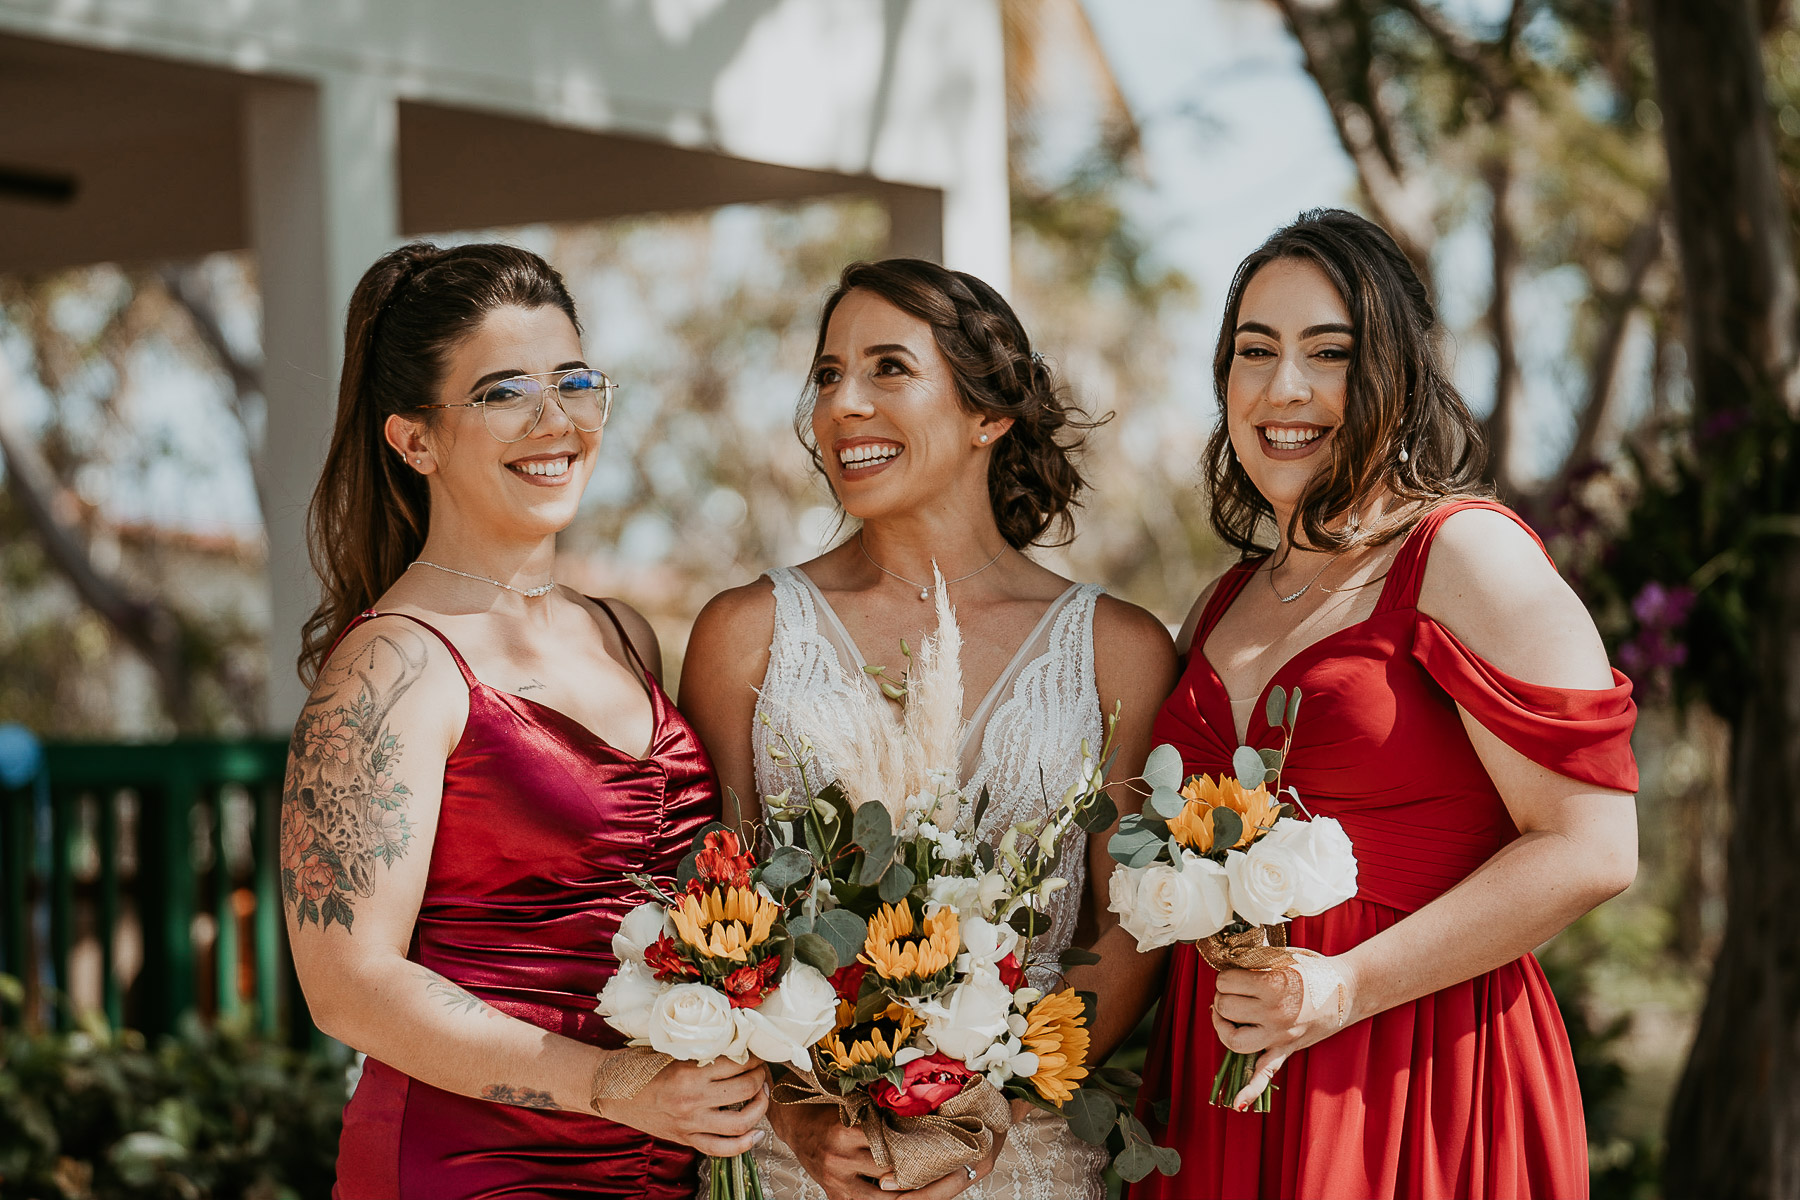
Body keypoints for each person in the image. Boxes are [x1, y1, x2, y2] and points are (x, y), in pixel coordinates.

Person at [1127, 209, 1639, 1200]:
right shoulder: (1221, 601)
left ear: (1397, 377)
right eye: (1254, 351)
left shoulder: (1465, 556)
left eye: (1332, 353)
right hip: (1218, 1080)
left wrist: (1345, 986)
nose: (1286, 388)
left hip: (1417, 1075)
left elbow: (1595, 849)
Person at [681, 258, 1177, 1200]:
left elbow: (1130, 928)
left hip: (1021, 1153)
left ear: (989, 415)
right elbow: (718, 910)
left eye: (888, 369)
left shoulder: (1118, 648)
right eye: (828, 375)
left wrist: (985, 1110)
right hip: (806, 1168)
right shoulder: (744, 634)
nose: (843, 404)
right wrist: (801, 1114)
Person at [282, 241, 769, 1200]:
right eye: (505, 392)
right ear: (414, 440)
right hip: (471, 1168)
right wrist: (615, 1087)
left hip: (656, 1160)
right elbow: (348, 985)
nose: (557, 421)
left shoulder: (623, 634)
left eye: (575, 381)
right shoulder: (392, 666)